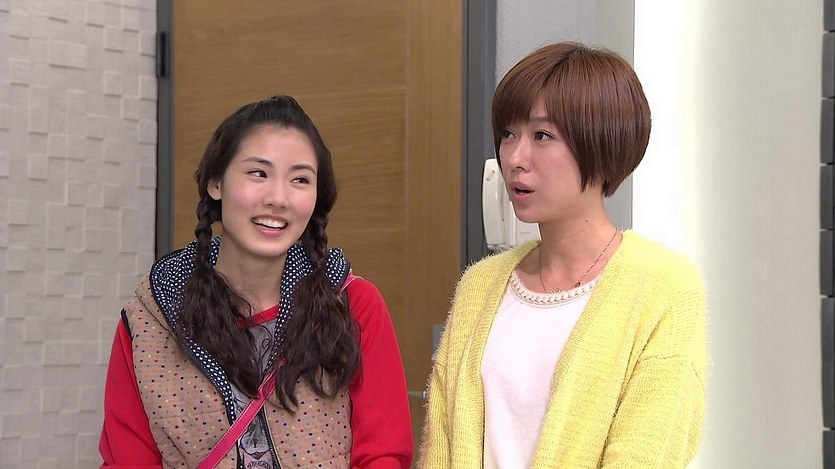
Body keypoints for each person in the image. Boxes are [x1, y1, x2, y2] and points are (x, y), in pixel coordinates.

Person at [419, 42, 707, 468]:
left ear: (602, 144)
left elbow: (646, 453)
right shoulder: (480, 286)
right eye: (508, 134)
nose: (514, 158)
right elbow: (441, 448)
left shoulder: (663, 288)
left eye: (542, 136)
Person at [99, 95, 413, 468]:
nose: (278, 198)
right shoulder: (153, 314)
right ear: (216, 182)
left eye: (300, 179)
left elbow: (382, 453)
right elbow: (128, 457)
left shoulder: (352, 302)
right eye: (258, 173)